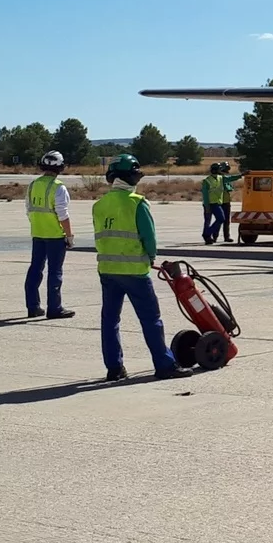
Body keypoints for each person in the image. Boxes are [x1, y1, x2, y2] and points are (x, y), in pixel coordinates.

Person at [90, 154, 181, 381]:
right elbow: (149, 238)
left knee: (110, 320)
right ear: (133, 177)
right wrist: (151, 257)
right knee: (151, 319)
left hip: (108, 270)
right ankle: (164, 365)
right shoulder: (137, 203)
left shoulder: (99, 205)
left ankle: (114, 369)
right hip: (135, 271)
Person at [23, 150, 75, 320]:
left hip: (38, 234)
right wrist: (69, 236)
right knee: (55, 272)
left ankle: (33, 307)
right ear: (60, 167)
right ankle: (54, 308)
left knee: (35, 270)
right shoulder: (58, 187)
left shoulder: (33, 185)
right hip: (55, 236)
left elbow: (29, 210)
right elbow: (63, 215)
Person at [201, 161, 238, 245]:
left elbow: (230, 181)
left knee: (222, 219)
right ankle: (210, 236)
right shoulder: (209, 180)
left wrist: (241, 175)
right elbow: (205, 194)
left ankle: (210, 235)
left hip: (219, 202)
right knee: (212, 220)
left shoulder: (221, 178)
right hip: (213, 203)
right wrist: (207, 206)